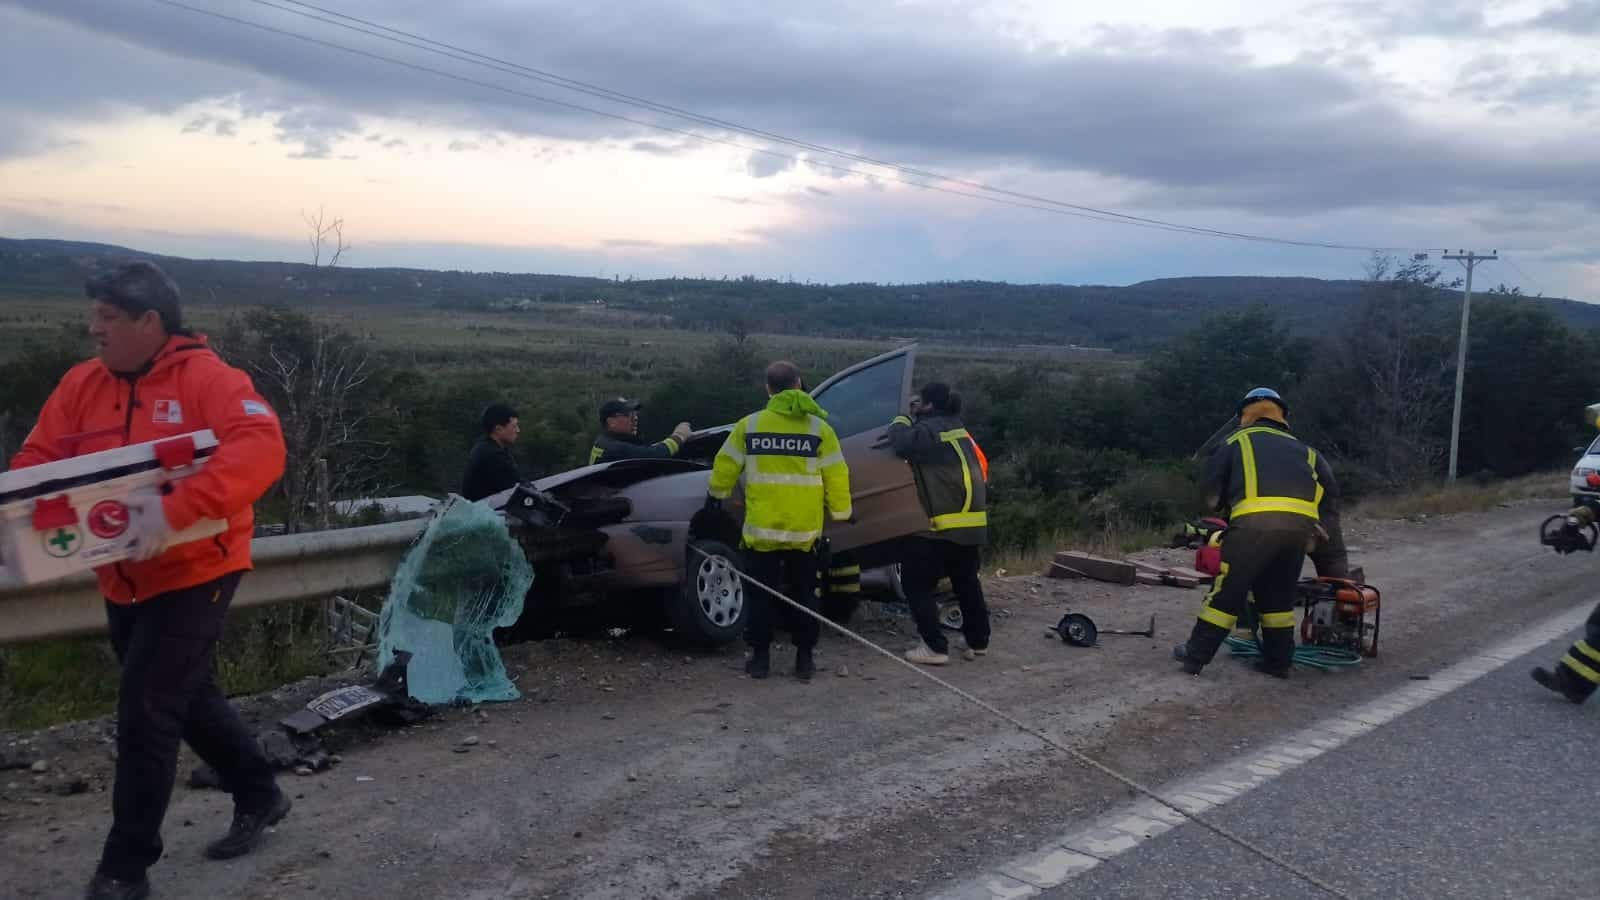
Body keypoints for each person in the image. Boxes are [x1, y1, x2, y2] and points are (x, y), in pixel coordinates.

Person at [9, 261, 289, 900]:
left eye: (107, 317)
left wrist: (174, 509)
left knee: (145, 709)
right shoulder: (83, 383)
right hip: (122, 575)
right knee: (184, 698)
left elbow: (259, 446)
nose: (94, 329)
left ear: (149, 322)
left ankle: (125, 868)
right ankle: (260, 791)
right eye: (94, 316)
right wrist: (25, 508)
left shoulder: (210, 380)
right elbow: (39, 458)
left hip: (199, 569)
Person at [1173, 387, 1346, 678]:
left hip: (1254, 528)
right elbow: (1329, 503)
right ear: (1282, 416)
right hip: (1299, 533)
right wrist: (1333, 568)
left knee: (1227, 591)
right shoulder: (1308, 452)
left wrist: (1227, 511)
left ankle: (1195, 656)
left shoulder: (1233, 442)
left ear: (1244, 414)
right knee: (1278, 599)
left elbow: (1210, 496)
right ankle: (1278, 664)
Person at [704, 361, 851, 681]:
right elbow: (837, 474)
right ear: (799, 384)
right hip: (804, 532)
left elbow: (725, 465)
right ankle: (804, 660)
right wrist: (842, 513)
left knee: (761, 595)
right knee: (804, 594)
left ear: (768, 389)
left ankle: (759, 659)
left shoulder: (750, 425)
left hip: (762, 531)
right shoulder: (819, 429)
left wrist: (717, 494)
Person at [888, 383, 992, 665]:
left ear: (929, 406)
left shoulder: (929, 430)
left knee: (915, 582)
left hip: (940, 526)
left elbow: (899, 442)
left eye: (919, 402)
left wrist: (902, 416)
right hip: (972, 522)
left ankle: (934, 648)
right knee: (966, 582)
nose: (916, 405)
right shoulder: (959, 429)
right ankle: (978, 642)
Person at [590, 398, 692, 464]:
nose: (635, 418)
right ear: (611, 422)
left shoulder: (604, 441)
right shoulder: (616, 449)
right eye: (628, 414)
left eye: (635, 414)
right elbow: (656, 455)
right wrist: (679, 435)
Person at [461, 403, 523, 501]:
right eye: (514, 426)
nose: (518, 430)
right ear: (498, 429)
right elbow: (516, 488)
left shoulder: (488, 447)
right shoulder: (491, 454)